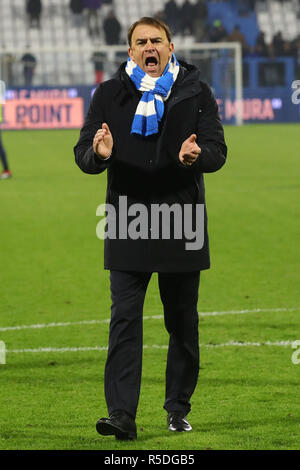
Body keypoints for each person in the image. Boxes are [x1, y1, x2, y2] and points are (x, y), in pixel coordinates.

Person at [74, 17, 227, 440]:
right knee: (124, 318)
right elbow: (83, 153)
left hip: (182, 219)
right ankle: (121, 413)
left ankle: (177, 407)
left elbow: (217, 150)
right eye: (140, 42)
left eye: (156, 40)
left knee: (181, 322)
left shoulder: (195, 92)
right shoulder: (108, 94)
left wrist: (197, 156)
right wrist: (100, 154)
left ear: (170, 46)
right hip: (127, 219)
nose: (148, 47)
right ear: (130, 52)